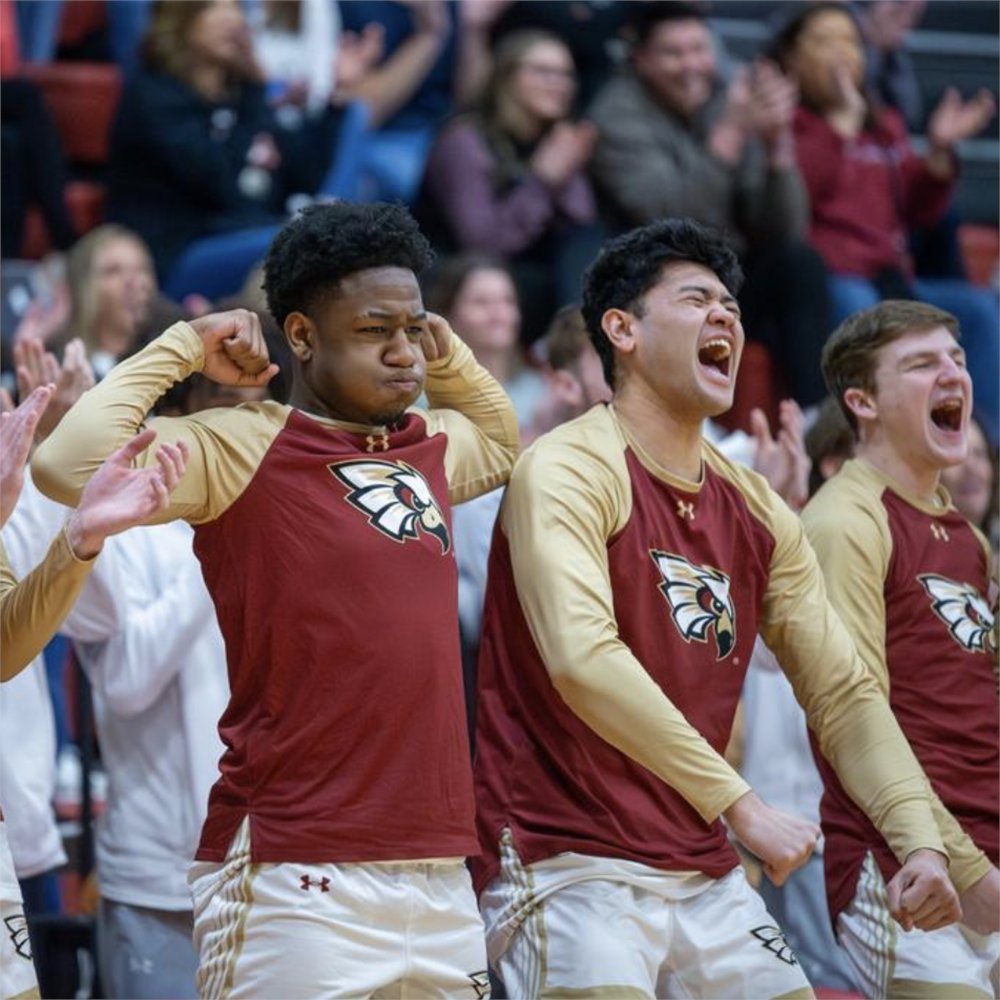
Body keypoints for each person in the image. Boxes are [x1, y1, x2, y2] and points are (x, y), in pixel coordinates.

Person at [470, 216, 982, 999]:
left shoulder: (756, 507)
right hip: (564, 856)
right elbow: (583, 660)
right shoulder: (567, 467)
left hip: (701, 866)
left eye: (732, 308)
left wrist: (918, 839)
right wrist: (742, 806)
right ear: (623, 331)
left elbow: (844, 694)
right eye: (696, 299)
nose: (725, 318)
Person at [34, 200, 518, 998]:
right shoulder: (242, 444)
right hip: (295, 868)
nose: (403, 353)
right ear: (301, 335)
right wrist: (185, 344)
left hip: (437, 865)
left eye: (412, 329)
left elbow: (500, 439)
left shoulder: (425, 447)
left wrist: (447, 347)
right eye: (375, 331)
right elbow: (68, 466)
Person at [801, 300, 1000, 999]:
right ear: (862, 402)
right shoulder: (844, 521)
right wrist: (968, 870)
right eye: (921, 364)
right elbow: (853, 717)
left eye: (957, 359)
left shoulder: (966, 537)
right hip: (901, 869)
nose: (952, 374)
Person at [0, 382, 188, 1000]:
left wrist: (79, 535)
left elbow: (5, 649)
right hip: (151, 858)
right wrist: (183, 343)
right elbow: (126, 677)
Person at [769, 1, 999, 443]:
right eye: (824, 41)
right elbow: (795, 205)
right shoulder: (786, 124)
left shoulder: (882, 123)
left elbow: (917, 210)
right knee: (862, 306)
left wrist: (937, 153)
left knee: (978, 310)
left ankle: (984, 450)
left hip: (891, 277)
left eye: (850, 42)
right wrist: (839, 128)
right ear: (790, 59)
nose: (842, 53)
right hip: (834, 281)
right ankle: (879, 443)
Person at [587, 1, 832, 409]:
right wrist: (731, 131)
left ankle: (814, 416)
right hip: (651, 282)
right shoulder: (614, 114)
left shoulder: (726, 96)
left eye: (699, 50)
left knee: (800, 262)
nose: (691, 65)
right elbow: (672, 219)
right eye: (673, 53)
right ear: (641, 58)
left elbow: (784, 228)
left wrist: (778, 148)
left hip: (728, 273)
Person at [107, 0, 341, 288]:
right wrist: (255, 94)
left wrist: (335, 101)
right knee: (306, 244)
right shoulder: (154, 96)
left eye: (235, 7)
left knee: (333, 231)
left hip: (239, 235)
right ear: (180, 20)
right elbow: (221, 187)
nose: (231, 18)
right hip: (175, 254)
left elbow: (306, 179)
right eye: (213, 7)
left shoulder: (240, 95)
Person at [420, 27, 601, 344]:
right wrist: (542, 182)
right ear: (506, 76)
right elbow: (482, 243)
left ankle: (584, 343)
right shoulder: (464, 141)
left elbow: (581, 222)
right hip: (459, 273)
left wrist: (567, 171)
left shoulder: (556, 140)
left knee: (586, 245)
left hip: (533, 273)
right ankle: (578, 344)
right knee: (532, 282)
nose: (558, 83)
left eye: (566, 75)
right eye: (543, 71)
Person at [423, 251, 547, 433]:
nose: (498, 312)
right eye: (481, 302)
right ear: (448, 315)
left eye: (507, 301)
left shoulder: (542, 392)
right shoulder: (424, 399)